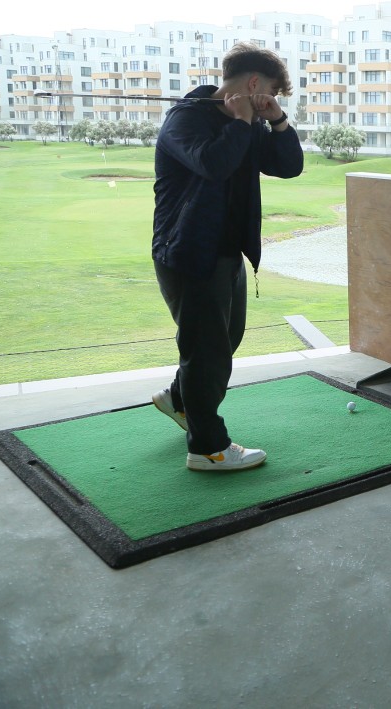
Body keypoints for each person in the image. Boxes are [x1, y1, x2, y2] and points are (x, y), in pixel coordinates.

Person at [149, 43, 304, 471]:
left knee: (223, 341)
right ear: (253, 83)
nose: (270, 100)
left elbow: (289, 166)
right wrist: (241, 121)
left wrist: (276, 119)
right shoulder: (186, 118)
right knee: (207, 350)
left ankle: (178, 398)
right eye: (270, 92)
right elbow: (212, 164)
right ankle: (208, 449)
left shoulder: (253, 122)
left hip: (226, 250)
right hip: (188, 250)